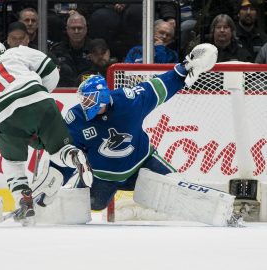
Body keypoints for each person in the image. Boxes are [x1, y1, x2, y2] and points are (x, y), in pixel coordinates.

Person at [46, 43, 218, 211]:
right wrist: (51, 184)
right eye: (84, 99)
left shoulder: (128, 101)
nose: (85, 104)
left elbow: (157, 87)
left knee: (177, 190)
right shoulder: (76, 117)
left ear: (103, 97)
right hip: (101, 177)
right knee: (88, 205)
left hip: (142, 164)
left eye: (90, 99)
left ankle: (218, 211)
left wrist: (182, 69)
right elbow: (68, 154)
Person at [0, 40, 92, 222]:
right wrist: (42, 94)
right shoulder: (16, 53)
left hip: (6, 115)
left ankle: (23, 199)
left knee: (12, 163)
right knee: (58, 150)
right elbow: (50, 70)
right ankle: (73, 155)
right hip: (39, 99)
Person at [50, 12, 92, 87]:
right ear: (67, 30)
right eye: (73, 28)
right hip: (64, 92)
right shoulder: (57, 51)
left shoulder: (94, 49)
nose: (76, 31)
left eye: (79, 28)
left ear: (86, 29)